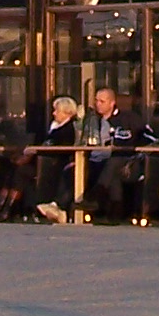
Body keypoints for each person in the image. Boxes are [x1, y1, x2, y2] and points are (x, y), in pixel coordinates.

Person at [81, 86, 137, 221]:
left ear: (112, 103)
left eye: (102, 101)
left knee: (113, 163)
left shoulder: (128, 118)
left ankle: (94, 196)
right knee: (112, 173)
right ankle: (115, 213)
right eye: (96, 101)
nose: (98, 104)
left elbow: (147, 138)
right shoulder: (92, 120)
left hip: (126, 161)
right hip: (97, 160)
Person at [32, 95, 83, 223]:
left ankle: (53, 207)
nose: (54, 113)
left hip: (60, 161)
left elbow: (62, 147)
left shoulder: (70, 128)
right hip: (45, 159)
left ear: (67, 113)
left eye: (57, 111)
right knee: (14, 169)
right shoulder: (53, 127)